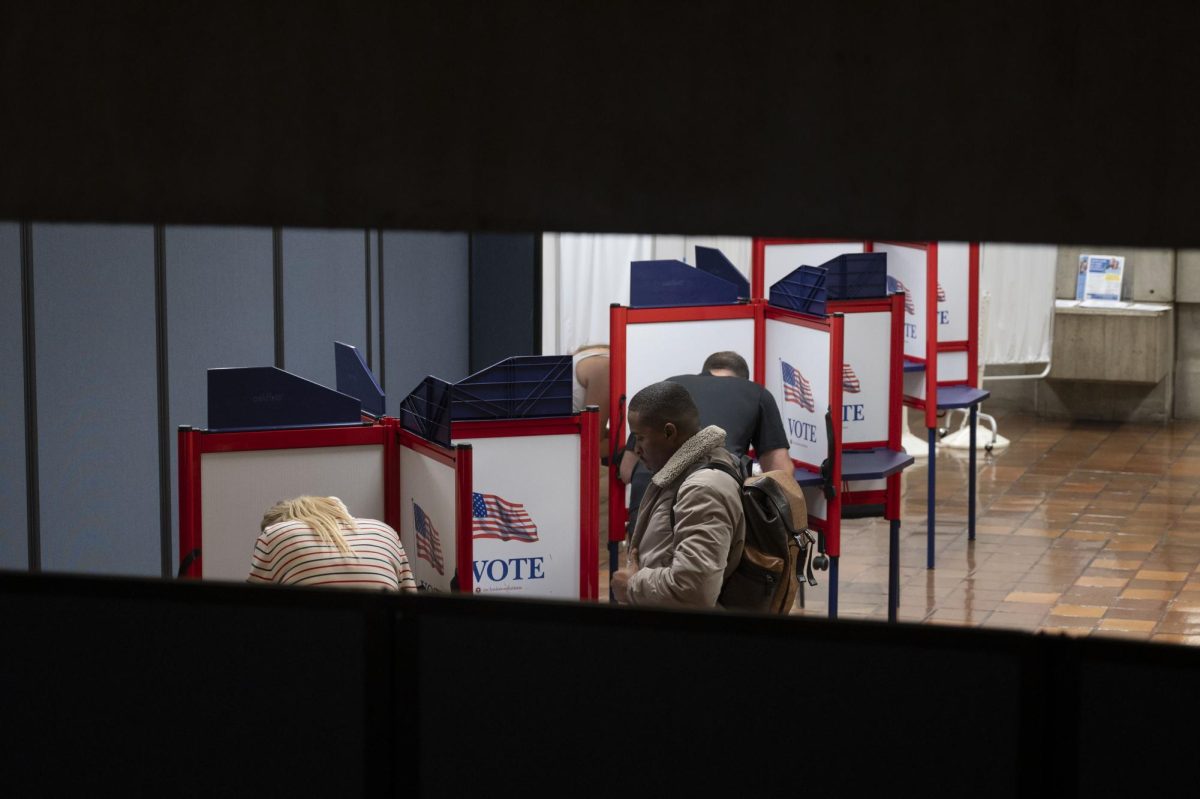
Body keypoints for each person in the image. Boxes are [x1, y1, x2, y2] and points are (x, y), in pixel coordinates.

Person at [618, 351, 792, 532]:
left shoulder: (669, 387)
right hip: (711, 494)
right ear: (743, 379)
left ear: (704, 371)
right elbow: (780, 472)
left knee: (645, 556)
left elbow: (626, 470)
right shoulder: (757, 393)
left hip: (649, 494)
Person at [611, 381, 745, 608]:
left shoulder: (704, 488)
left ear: (669, 432)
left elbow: (696, 591)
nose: (636, 449)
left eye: (640, 437)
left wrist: (632, 585)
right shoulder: (684, 474)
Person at [248, 495, 417, 592]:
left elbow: (252, 610)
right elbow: (410, 605)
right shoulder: (384, 531)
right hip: (382, 642)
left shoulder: (276, 534)